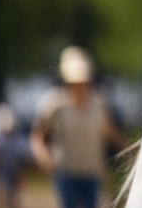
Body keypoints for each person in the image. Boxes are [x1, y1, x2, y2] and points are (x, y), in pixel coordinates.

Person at [30, 46, 126, 208]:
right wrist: (42, 155)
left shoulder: (99, 103)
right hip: (66, 172)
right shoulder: (54, 103)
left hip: (93, 172)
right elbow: (38, 135)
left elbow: (109, 133)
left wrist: (128, 149)